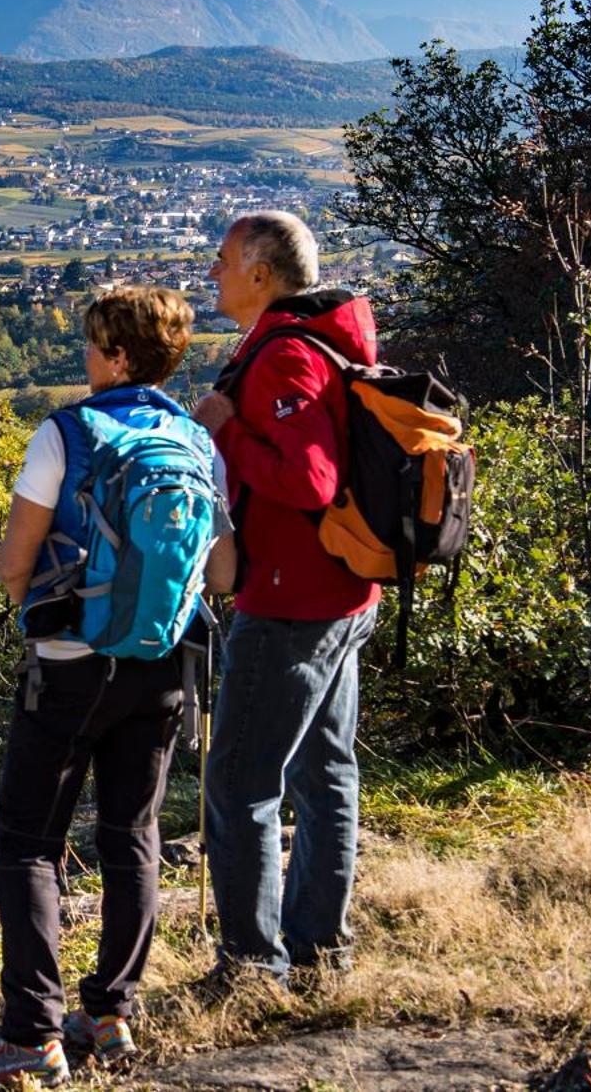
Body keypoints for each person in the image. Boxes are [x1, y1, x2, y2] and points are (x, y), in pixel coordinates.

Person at [0, 287, 233, 1087]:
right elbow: (225, 570)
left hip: (72, 665)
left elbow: (14, 562)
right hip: (162, 667)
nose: (85, 354)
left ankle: (32, 1033)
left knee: (28, 840)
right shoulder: (193, 441)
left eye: (93, 343)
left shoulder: (64, 434)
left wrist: (39, 611)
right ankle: (111, 1012)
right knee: (131, 834)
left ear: (115, 355)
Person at [190, 210, 380, 985]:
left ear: (262, 274)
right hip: (341, 591)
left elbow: (310, 480)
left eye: (225, 260)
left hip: (292, 602)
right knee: (325, 772)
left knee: (240, 783)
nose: (213, 273)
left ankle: (251, 968)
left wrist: (224, 431)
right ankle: (316, 948)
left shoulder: (284, 358)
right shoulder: (319, 340)